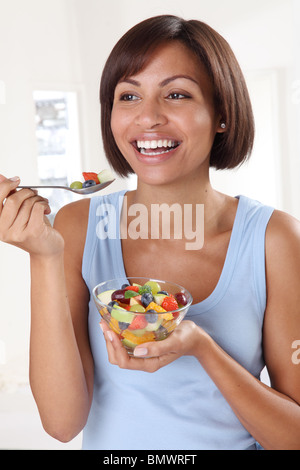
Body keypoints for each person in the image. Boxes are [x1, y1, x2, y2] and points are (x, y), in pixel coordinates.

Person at [0, 15, 299, 450]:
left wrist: (203, 348)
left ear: (222, 114)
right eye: (129, 96)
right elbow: (62, 424)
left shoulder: (276, 240)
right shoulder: (78, 228)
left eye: (176, 94)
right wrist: (43, 257)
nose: (148, 118)